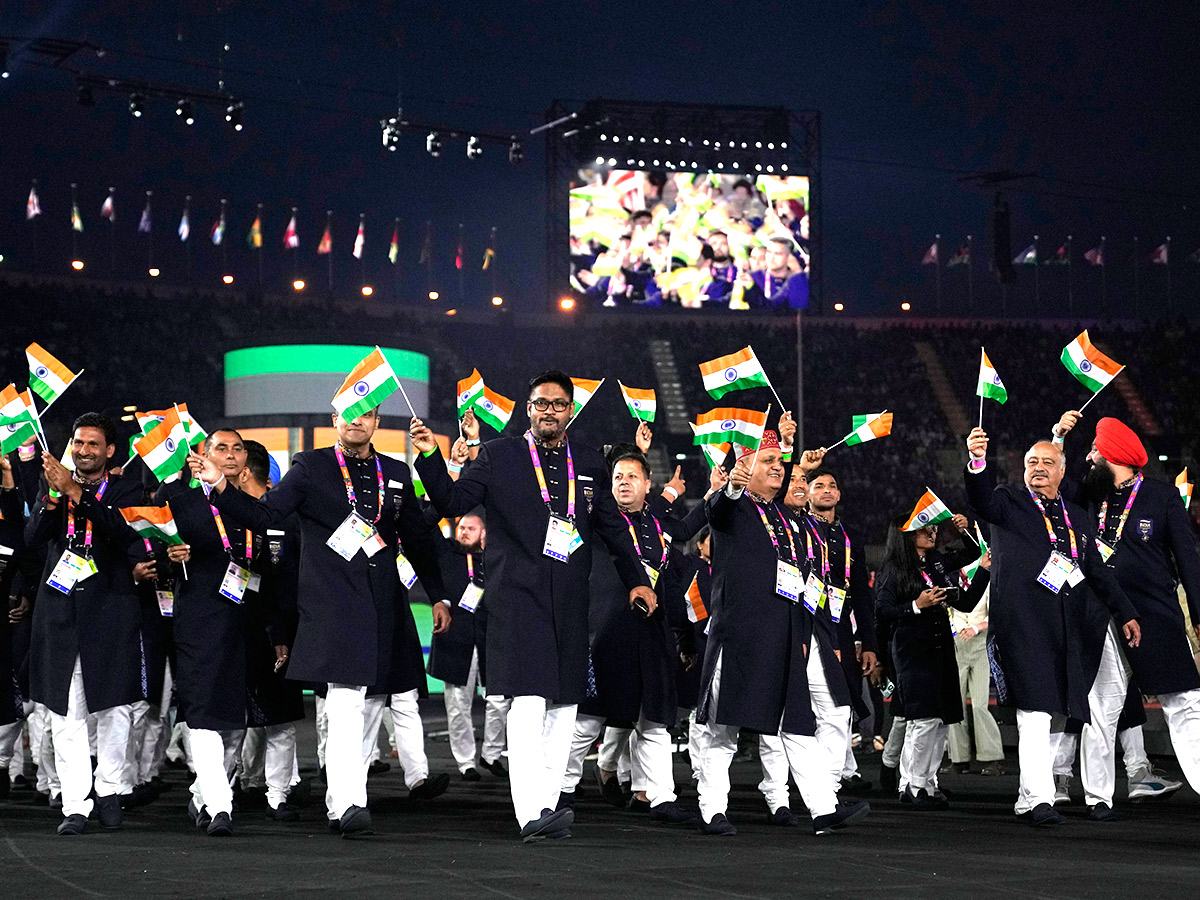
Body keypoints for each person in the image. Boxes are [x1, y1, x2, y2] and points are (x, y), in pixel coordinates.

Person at [409, 370, 655, 842]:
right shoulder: (498, 455)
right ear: (529, 408)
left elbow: (612, 529)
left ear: (570, 410)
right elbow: (453, 498)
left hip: (569, 597)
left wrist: (636, 581)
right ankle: (529, 813)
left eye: (558, 404)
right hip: (516, 598)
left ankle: (546, 803)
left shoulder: (588, 460)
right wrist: (429, 456)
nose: (549, 411)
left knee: (564, 704)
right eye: (540, 403)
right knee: (527, 702)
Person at [188, 405, 448, 838]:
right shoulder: (311, 466)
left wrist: (438, 594)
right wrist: (219, 487)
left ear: (377, 424)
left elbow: (418, 538)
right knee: (345, 706)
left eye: (366, 415)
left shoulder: (397, 471)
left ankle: (340, 804)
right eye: (348, 415)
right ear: (335, 422)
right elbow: (267, 515)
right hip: (332, 606)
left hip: (384, 605)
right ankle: (348, 804)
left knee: (367, 711)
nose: (357, 422)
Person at [694, 431, 868, 836]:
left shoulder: (784, 517)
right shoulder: (733, 508)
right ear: (744, 469)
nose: (777, 467)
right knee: (722, 730)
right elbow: (717, 510)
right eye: (767, 460)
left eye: (779, 462)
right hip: (737, 636)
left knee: (797, 724)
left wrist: (795, 457)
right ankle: (712, 810)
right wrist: (731, 487)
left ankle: (823, 808)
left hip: (784, 636)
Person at [964, 426, 1140, 826]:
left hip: (1066, 625)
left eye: (1047, 463)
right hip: (1022, 625)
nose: (1039, 469)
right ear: (1021, 470)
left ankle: (1030, 798)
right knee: (1036, 713)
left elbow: (1093, 569)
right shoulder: (1007, 501)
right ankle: (1042, 800)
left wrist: (1125, 611)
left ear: (1063, 471)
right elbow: (980, 500)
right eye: (1031, 463)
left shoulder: (1075, 514)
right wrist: (977, 463)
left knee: (1058, 712)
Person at [1054, 411, 1200, 813]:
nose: (1088, 458)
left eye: (1094, 450)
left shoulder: (1161, 496)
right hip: (1103, 615)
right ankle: (1099, 797)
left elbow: (1188, 560)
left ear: (1112, 454)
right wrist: (1059, 438)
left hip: (1155, 615)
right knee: (1101, 707)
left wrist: (1199, 617)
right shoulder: (1090, 495)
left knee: (1185, 703)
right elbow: (1055, 487)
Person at [559, 445, 697, 824]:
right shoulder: (596, 520)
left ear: (647, 484)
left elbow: (675, 561)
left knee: (653, 720)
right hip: (602, 632)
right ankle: (562, 790)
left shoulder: (658, 527)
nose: (624, 482)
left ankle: (661, 797)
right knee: (586, 722)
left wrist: (683, 637)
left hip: (649, 633)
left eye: (632, 476)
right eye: (618, 476)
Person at [26, 413, 146, 835]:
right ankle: (75, 803)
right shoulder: (53, 484)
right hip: (60, 608)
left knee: (115, 707)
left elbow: (124, 532)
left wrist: (75, 491)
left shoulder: (128, 486)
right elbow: (34, 539)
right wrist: (54, 498)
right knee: (65, 710)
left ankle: (110, 788)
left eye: (93, 444)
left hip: (111, 605)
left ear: (110, 450)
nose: (83, 451)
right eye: (78, 443)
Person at [162, 427, 259, 837]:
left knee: (235, 722)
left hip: (246, 622)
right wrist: (170, 556)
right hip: (199, 619)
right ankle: (221, 806)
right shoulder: (182, 501)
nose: (232, 454)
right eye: (221, 448)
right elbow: (156, 553)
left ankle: (204, 795)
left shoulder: (255, 507)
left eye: (238, 448)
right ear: (202, 456)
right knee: (202, 713)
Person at [875, 514, 990, 808]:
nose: (932, 532)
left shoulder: (936, 563)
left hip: (941, 645)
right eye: (925, 528)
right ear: (906, 534)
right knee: (922, 720)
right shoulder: (893, 569)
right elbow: (883, 611)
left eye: (934, 528)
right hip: (912, 647)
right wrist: (916, 605)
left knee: (941, 720)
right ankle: (911, 785)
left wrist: (965, 535)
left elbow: (965, 594)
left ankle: (927, 782)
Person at [238, 440, 306, 821]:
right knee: (229, 717)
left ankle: (277, 794)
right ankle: (219, 790)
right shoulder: (219, 512)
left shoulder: (285, 517)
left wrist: (282, 632)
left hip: (277, 629)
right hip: (231, 625)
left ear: (246, 470)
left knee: (279, 718)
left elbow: (289, 581)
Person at [805, 466, 878, 794]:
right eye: (818, 485)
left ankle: (834, 775)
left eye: (832, 485)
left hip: (840, 628)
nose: (826, 490)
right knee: (810, 705)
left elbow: (862, 593)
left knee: (843, 699)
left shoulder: (851, 536)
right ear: (806, 493)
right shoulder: (797, 527)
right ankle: (813, 775)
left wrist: (869, 642)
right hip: (805, 626)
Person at [428, 511, 511, 781]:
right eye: (461, 527)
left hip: (492, 637)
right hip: (455, 638)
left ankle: (491, 754)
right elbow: (425, 527)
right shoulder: (447, 553)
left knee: (499, 701)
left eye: (471, 528)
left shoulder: (496, 557)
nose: (463, 532)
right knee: (457, 705)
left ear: (484, 533)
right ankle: (466, 763)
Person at [946, 583, 1005, 776]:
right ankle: (958, 759)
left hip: (980, 645)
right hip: (956, 646)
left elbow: (996, 614)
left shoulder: (987, 580)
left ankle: (993, 757)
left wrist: (976, 627)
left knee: (980, 705)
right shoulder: (951, 578)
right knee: (955, 706)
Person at [741, 237, 808, 310]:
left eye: (777, 254)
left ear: (789, 257)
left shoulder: (798, 280)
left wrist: (797, 271)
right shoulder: (753, 278)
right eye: (769, 252)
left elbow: (799, 305)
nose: (771, 258)